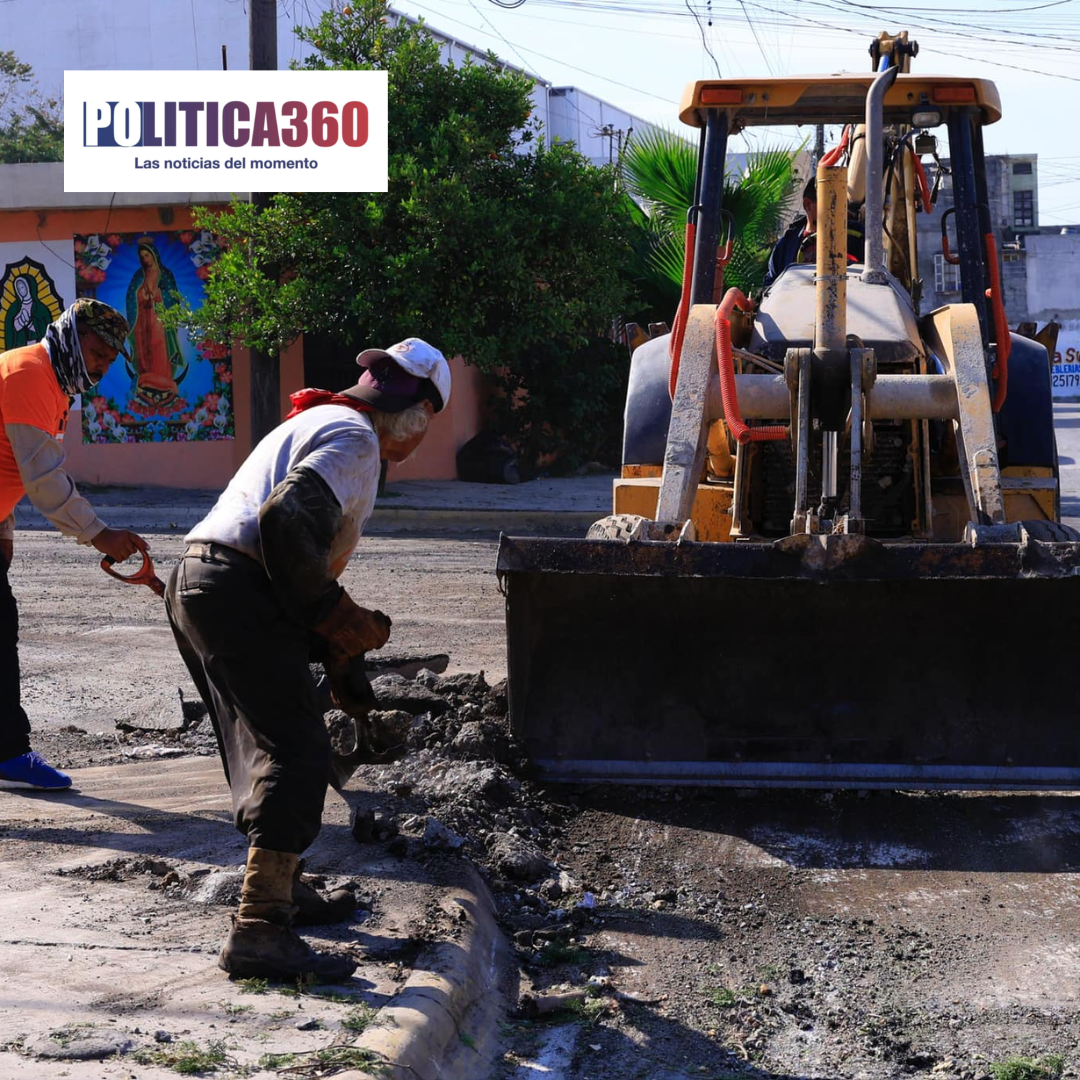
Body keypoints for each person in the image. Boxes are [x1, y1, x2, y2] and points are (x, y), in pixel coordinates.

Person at [165, 337, 452, 982]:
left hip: (202, 581)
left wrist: (339, 655)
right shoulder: (356, 440)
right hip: (236, 587)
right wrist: (337, 619)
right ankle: (260, 928)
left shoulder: (319, 420)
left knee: (261, 744)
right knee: (297, 753)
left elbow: (297, 570)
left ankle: (284, 885)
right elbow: (287, 525)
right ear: (418, 415)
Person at [0, 299, 150, 791]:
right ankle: (7, 754)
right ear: (68, 337)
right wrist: (98, 532)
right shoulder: (29, 374)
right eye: (95, 353)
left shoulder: (52, 381)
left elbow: (9, 466)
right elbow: (42, 478)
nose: (100, 368)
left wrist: (3, 530)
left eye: (108, 362)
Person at [763, 176, 865, 289]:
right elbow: (770, 286)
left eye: (842, 204)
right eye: (830, 204)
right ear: (807, 204)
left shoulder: (860, 237)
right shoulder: (785, 246)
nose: (838, 211)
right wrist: (752, 303)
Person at [126, 237, 183, 407]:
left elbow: (174, 297)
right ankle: (147, 380)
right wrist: (141, 296)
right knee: (146, 348)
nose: (145, 259)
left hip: (160, 319)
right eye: (142, 257)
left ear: (154, 255)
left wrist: (158, 294)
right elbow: (131, 298)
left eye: (147, 255)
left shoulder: (166, 274)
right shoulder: (139, 276)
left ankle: (163, 379)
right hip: (143, 319)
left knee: (159, 347)